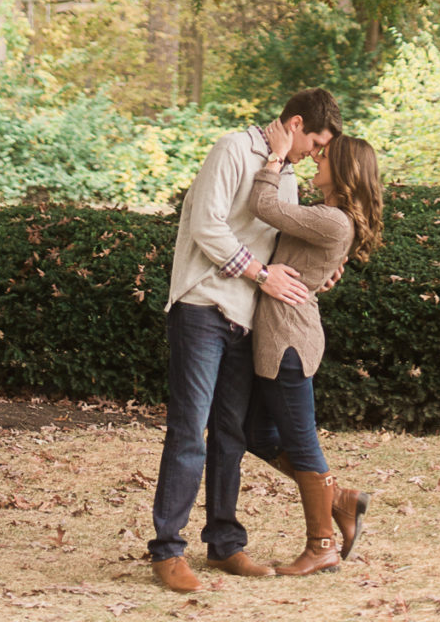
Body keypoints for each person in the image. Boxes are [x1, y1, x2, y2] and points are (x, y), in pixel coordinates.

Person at [147, 88, 342, 591]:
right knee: (189, 430)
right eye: (315, 142)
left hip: (249, 316)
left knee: (230, 434)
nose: (315, 154)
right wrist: (261, 273)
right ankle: (168, 550)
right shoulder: (232, 149)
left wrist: (319, 271)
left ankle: (225, 544)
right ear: (295, 123)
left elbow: (284, 241)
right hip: (202, 305)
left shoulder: (288, 173)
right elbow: (207, 226)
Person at [242, 127, 383, 575]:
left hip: (290, 342)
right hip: (280, 337)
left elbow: (263, 206)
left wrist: (276, 157)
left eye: (325, 156)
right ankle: (339, 499)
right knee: (259, 436)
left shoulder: (332, 220)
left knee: (302, 444)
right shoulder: (327, 217)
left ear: (343, 170)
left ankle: (321, 544)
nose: (317, 159)